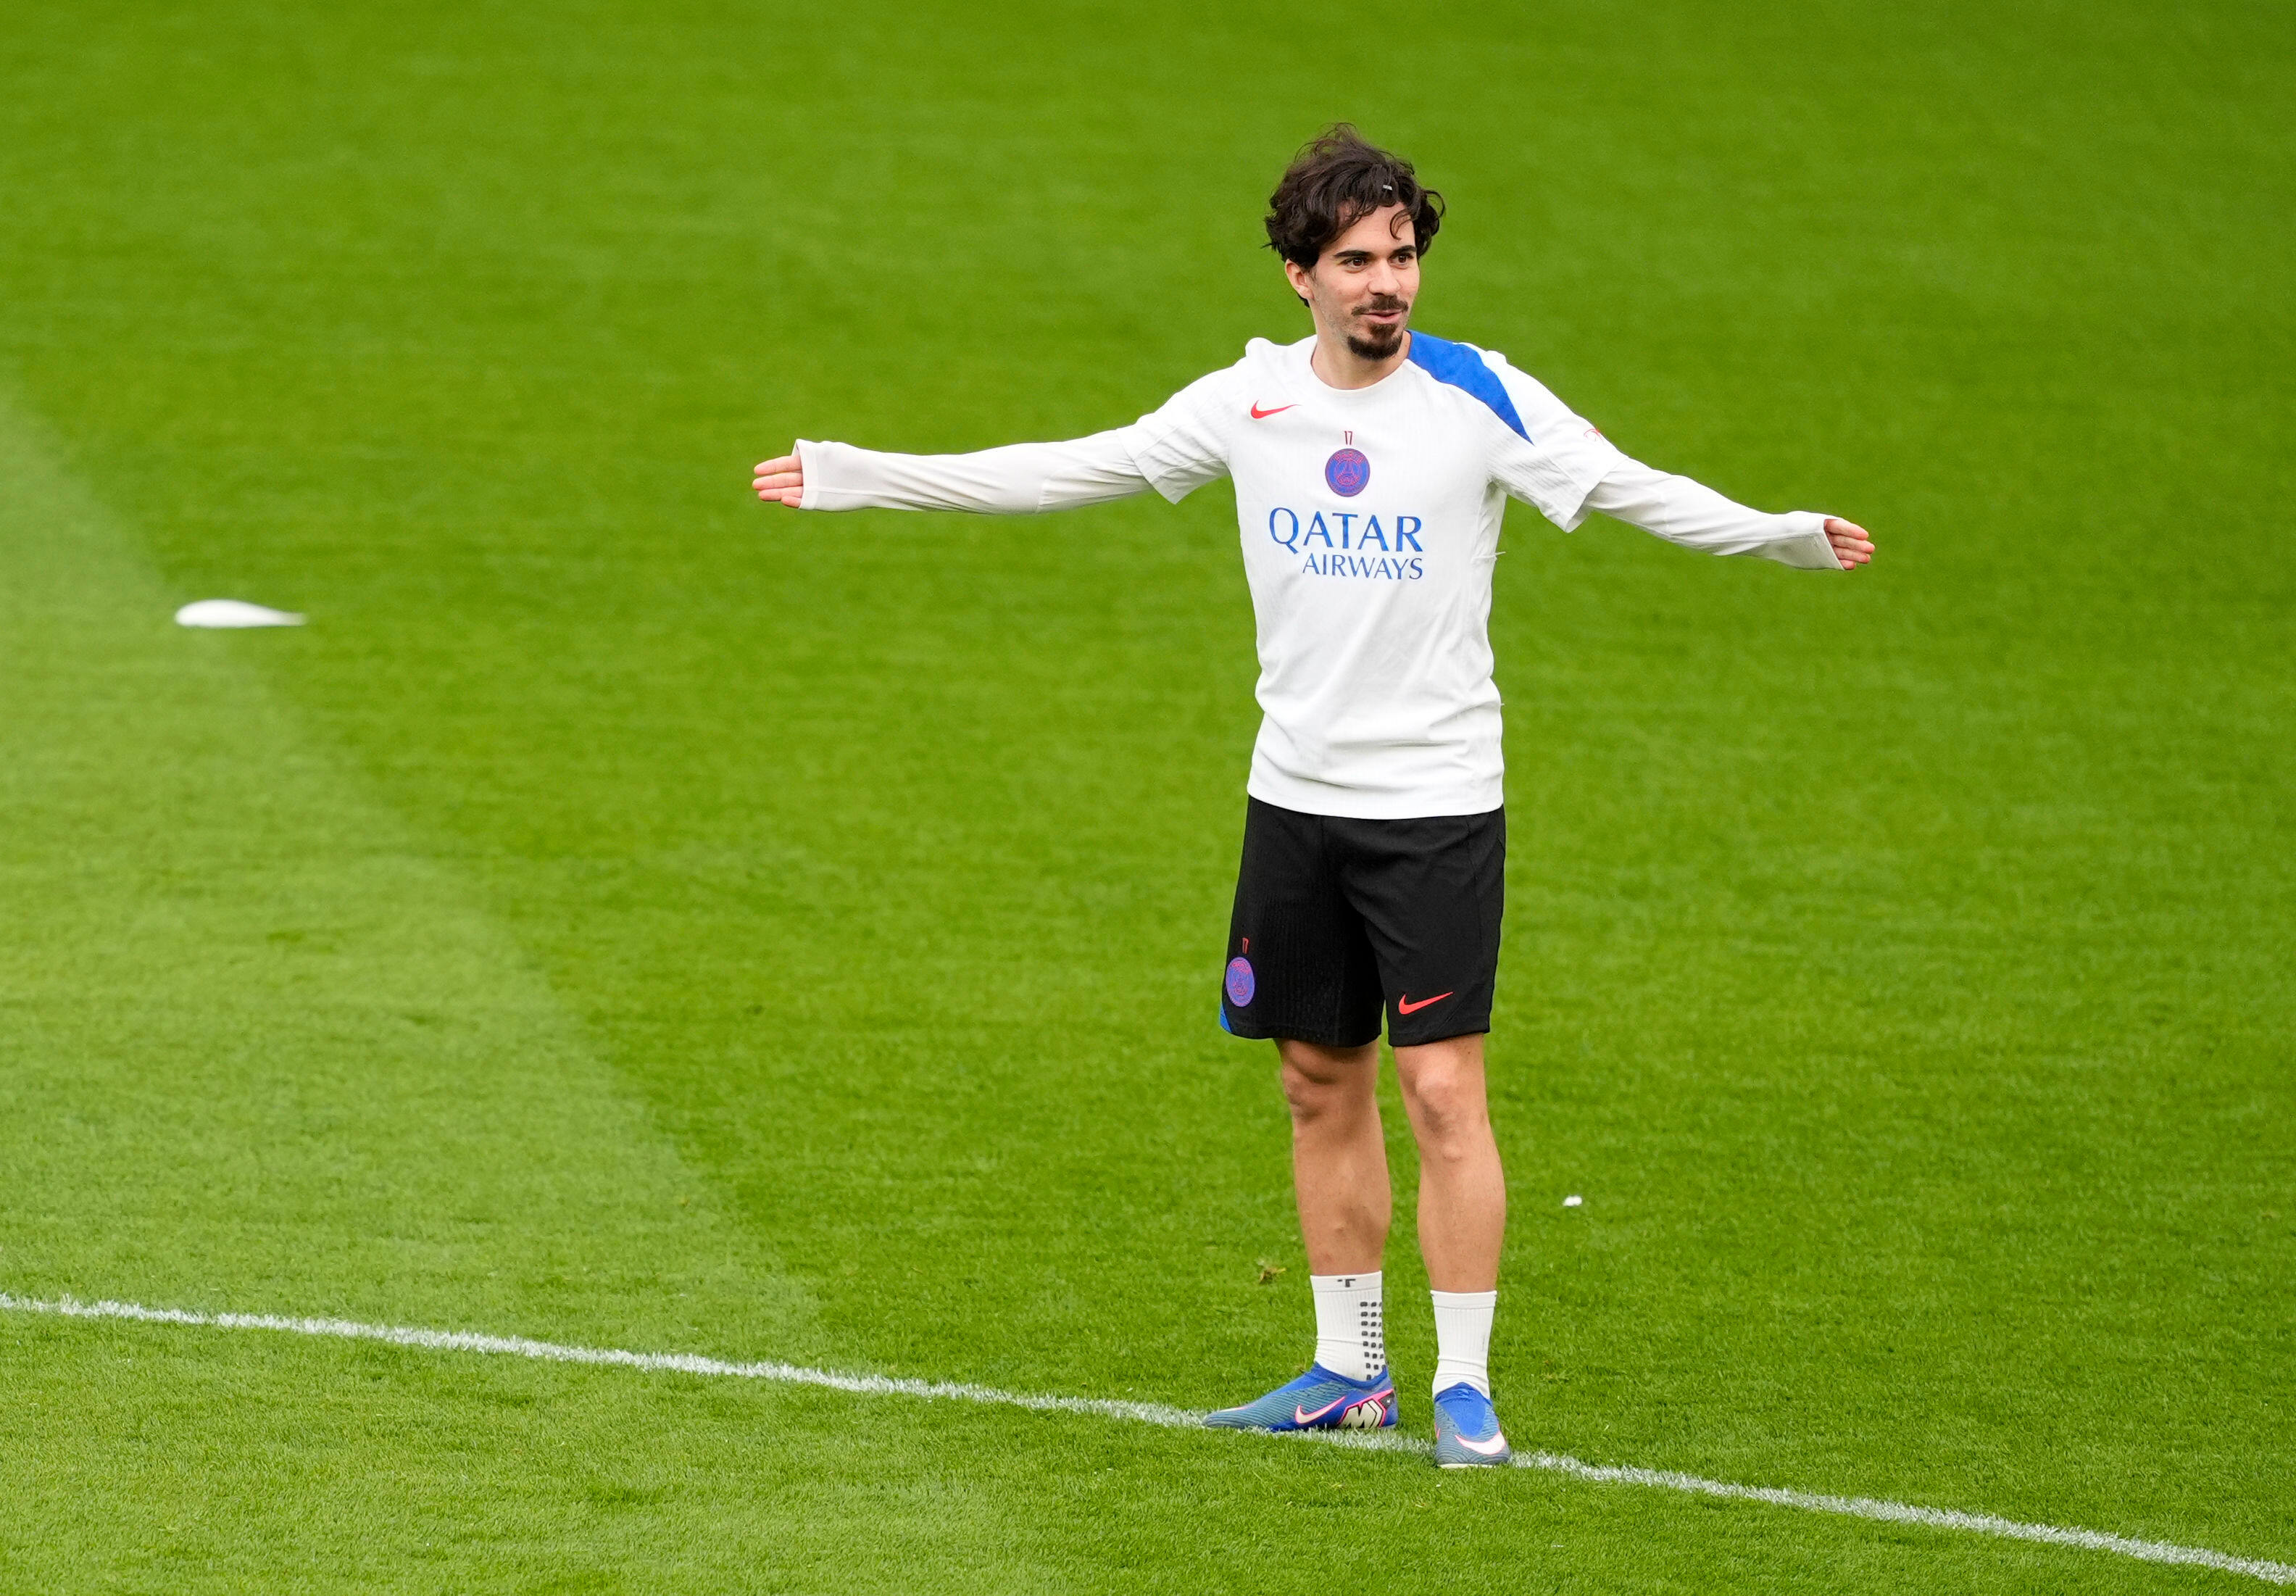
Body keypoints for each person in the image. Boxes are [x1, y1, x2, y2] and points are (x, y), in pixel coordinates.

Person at [752, 125, 1874, 1468]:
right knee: (1313, 1079)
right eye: (1354, 260)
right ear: (1301, 275)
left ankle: (1464, 1384)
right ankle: (1351, 1370)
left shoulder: (1477, 396)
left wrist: (1780, 536)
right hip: (1294, 801)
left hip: (1437, 806)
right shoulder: (1249, 402)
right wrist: (861, 476)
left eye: (1401, 255)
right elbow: (1067, 467)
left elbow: (1632, 488)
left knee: (1444, 1093)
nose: (1384, 282)